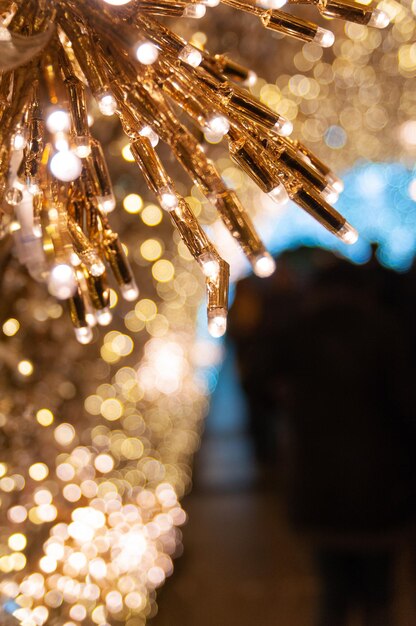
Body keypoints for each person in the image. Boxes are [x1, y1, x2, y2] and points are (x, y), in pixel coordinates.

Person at [229, 247, 416, 626]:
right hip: (382, 487)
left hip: (319, 483)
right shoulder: (385, 331)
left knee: (333, 595)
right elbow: (408, 407)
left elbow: (257, 382)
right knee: (380, 597)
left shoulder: (298, 332)